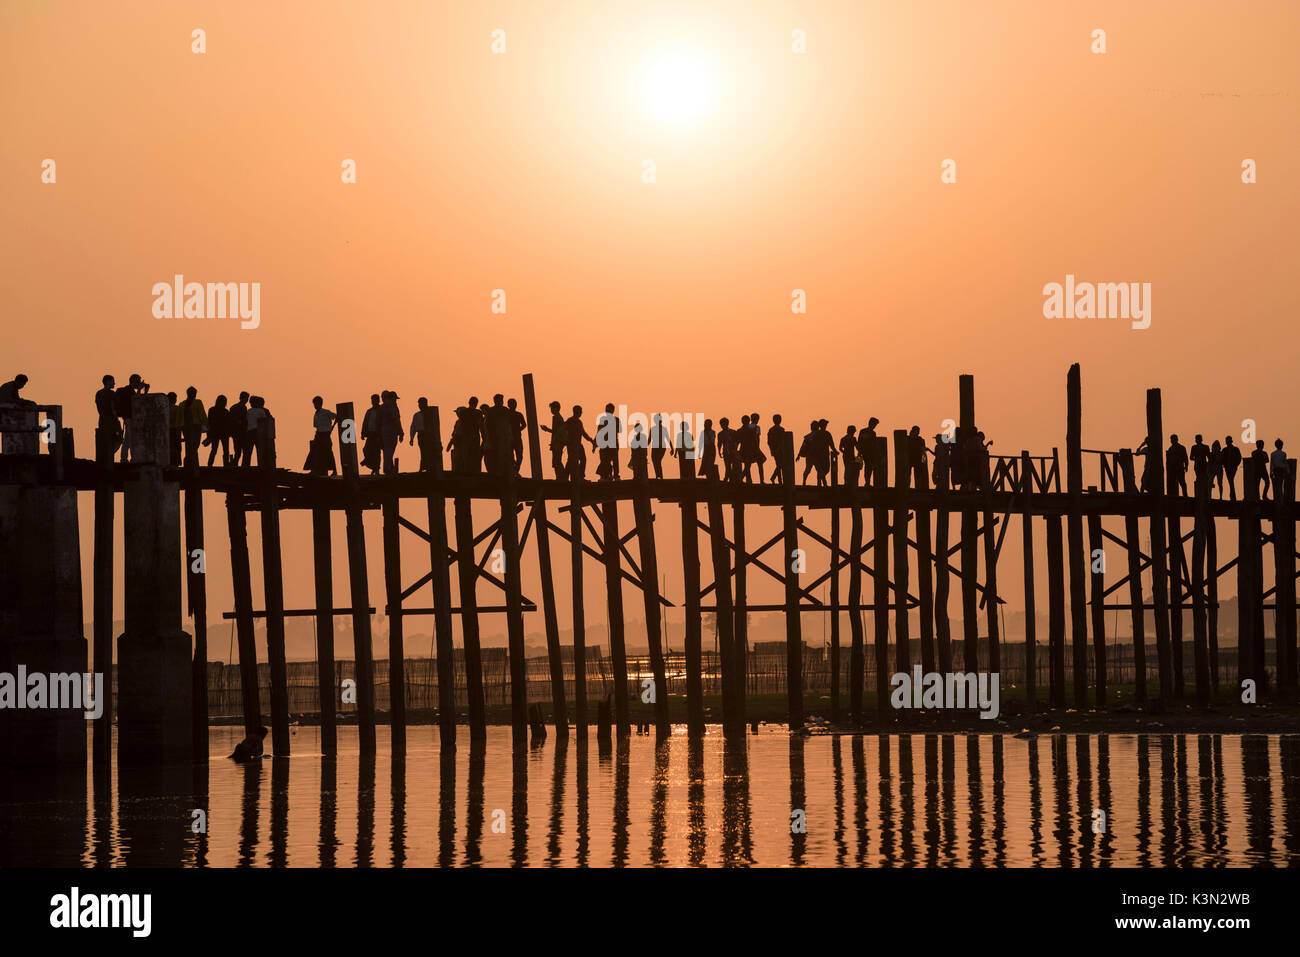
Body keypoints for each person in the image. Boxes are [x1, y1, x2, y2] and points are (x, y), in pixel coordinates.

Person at [305, 396, 337, 476]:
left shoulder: (326, 412)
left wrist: (330, 428)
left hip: (326, 435)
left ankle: (334, 470)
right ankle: (314, 470)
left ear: (320, 404)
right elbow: (316, 426)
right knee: (314, 451)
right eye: (314, 404)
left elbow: (336, 417)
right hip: (318, 435)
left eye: (316, 404)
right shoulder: (316, 414)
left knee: (329, 452)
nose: (315, 405)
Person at [564, 405, 596, 480]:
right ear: (577, 412)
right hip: (572, 445)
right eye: (580, 412)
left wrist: (591, 440)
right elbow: (564, 431)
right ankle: (566, 477)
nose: (581, 413)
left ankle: (580, 476)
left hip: (578, 445)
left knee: (583, 459)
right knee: (572, 461)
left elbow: (583, 433)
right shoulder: (569, 421)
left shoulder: (579, 422)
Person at [179, 386, 207, 467]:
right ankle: (193, 463)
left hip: (185, 427)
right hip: (195, 427)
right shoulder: (198, 402)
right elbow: (202, 415)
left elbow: (180, 418)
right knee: (194, 446)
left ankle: (189, 462)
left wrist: (180, 427)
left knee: (189, 445)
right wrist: (207, 424)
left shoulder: (182, 404)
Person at [95, 374, 122, 459]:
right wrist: (116, 419)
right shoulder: (111, 393)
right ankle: (109, 455)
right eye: (113, 381)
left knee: (105, 440)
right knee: (119, 438)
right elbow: (113, 407)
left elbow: (98, 407)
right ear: (108, 382)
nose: (114, 383)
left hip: (102, 419)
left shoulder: (98, 393)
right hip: (111, 420)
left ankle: (107, 456)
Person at [594, 403, 622, 481]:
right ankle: (605, 476)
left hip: (613, 443)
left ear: (613, 411)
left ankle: (616, 475)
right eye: (607, 410)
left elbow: (619, 430)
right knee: (605, 460)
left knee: (614, 460)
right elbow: (599, 432)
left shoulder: (616, 420)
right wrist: (595, 444)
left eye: (609, 410)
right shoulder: (604, 420)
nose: (608, 412)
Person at [540, 400, 566, 478]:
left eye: (552, 408)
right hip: (558, 442)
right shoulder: (560, 418)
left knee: (556, 462)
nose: (551, 410)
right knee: (557, 461)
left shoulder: (557, 418)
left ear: (556, 409)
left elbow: (556, 432)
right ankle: (561, 477)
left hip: (557, 443)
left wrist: (547, 429)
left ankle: (561, 477)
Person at [380, 390, 404, 474]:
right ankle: (387, 469)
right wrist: (401, 432)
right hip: (391, 430)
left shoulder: (381, 407)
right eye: (395, 399)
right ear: (392, 398)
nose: (396, 400)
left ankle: (387, 468)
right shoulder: (392, 406)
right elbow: (396, 419)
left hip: (383, 430)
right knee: (390, 449)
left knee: (386, 450)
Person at [409, 397, 434, 472]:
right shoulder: (417, 415)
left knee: (429, 451)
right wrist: (411, 438)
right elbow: (413, 427)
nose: (419, 405)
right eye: (419, 404)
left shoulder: (430, 414)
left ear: (425, 404)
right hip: (421, 435)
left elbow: (434, 426)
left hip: (429, 435)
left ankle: (428, 466)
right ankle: (424, 466)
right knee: (423, 451)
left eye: (421, 404)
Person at [205, 394, 231, 467]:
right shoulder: (226, 411)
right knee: (225, 450)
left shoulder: (212, 410)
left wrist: (208, 434)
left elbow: (209, 422)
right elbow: (228, 423)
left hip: (215, 433)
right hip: (223, 433)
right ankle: (226, 464)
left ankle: (210, 464)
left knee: (214, 450)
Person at [245, 395, 271, 467]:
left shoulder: (248, 411)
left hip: (249, 432)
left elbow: (246, 421)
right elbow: (265, 421)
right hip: (258, 432)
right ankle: (260, 465)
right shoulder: (261, 411)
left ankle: (247, 465)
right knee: (259, 450)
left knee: (249, 450)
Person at [360, 393, 382, 474]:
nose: (373, 402)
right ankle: (371, 464)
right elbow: (365, 422)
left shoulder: (381, 410)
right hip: (370, 434)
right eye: (372, 400)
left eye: (375, 400)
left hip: (377, 434)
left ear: (378, 401)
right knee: (366, 449)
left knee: (376, 452)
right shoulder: (369, 411)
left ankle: (376, 469)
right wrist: (363, 433)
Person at [650, 413, 675, 479]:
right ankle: (658, 475)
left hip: (661, 447)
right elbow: (649, 439)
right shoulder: (652, 429)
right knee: (655, 461)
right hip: (655, 447)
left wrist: (672, 448)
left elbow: (668, 438)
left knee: (657, 461)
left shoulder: (663, 429)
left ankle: (660, 476)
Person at [857, 417, 880, 487]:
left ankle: (867, 482)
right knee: (864, 467)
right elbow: (860, 442)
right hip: (867, 453)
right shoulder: (869, 432)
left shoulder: (865, 432)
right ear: (871, 423)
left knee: (868, 468)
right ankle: (866, 482)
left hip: (866, 453)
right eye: (875, 424)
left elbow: (860, 442)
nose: (875, 426)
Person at [229, 391, 250, 466]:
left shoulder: (232, 407)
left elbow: (230, 420)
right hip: (242, 432)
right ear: (243, 398)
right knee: (244, 450)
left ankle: (234, 464)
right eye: (247, 398)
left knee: (237, 451)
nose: (247, 400)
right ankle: (240, 465)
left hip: (234, 432)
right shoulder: (243, 407)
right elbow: (244, 420)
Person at [507, 398, 526, 474]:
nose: (513, 406)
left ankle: (515, 471)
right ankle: (513, 471)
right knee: (510, 456)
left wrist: (518, 430)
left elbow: (524, 424)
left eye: (514, 404)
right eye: (511, 404)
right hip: (509, 438)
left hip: (517, 437)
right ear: (508, 405)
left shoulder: (518, 414)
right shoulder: (506, 414)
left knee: (519, 456)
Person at [767, 414, 787, 484]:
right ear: (780, 420)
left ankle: (778, 480)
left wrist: (771, 450)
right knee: (780, 465)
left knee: (778, 465)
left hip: (774, 449)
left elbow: (769, 442)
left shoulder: (771, 430)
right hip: (780, 450)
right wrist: (779, 449)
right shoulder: (781, 430)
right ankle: (775, 478)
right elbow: (782, 441)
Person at [748, 412, 767, 483]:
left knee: (748, 465)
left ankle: (747, 479)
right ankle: (761, 480)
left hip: (748, 448)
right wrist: (757, 448)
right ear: (757, 419)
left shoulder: (748, 426)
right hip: (755, 447)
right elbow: (757, 438)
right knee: (760, 463)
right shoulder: (757, 427)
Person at [717, 417, 738, 483]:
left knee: (733, 466)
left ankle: (729, 478)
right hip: (726, 452)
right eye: (721, 424)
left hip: (732, 451)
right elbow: (719, 444)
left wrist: (735, 449)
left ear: (727, 424)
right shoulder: (720, 434)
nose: (722, 426)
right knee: (727, 466)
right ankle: (728, 478)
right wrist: (719, 452)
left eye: (723, 424)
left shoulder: (733, 432)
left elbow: (737, 441)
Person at [797, 421, 818, 485]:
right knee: (819, 470)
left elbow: (803, 446)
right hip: (815, 456)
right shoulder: (819, 436)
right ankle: (820, 483)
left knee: (808, 469)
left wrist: (799, 455)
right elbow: (803, 446)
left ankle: (804, 481)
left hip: (811, 456)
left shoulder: (808, 437)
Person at [1221, 435, 1242, 500]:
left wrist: (1236, 465)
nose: (1227, 442)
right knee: (1230, 481)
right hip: (1227, 468)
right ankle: (1232, 495)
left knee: (1230, 480)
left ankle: (1232, 495)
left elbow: (1239, 458)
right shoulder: (1224, 450)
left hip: (1233, 467)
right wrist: (1224, 465)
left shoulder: (1236, 449)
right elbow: (1222, 458)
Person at [166, 391, 182, 467]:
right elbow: (179, 422)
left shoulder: (164, 409)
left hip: (166, 431)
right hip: (175, 430)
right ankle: (175, 465)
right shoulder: (177, 408)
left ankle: (168, 464)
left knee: (168, 448)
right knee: (176, 449)